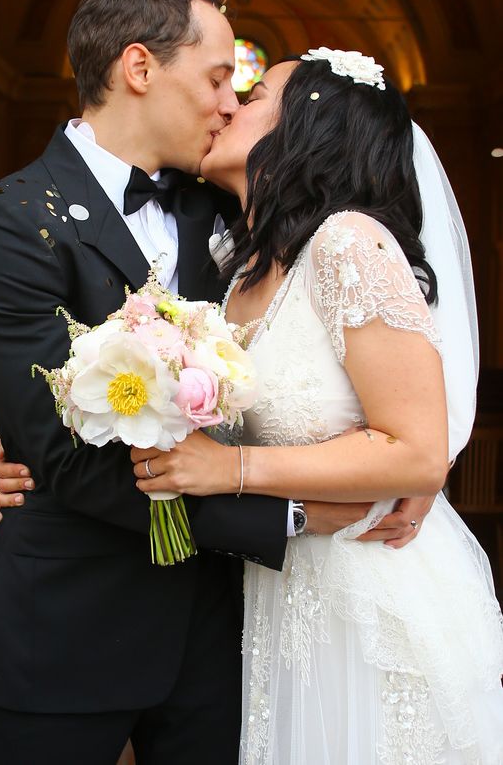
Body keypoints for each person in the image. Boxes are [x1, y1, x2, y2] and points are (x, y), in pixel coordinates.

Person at [0, 0, 432, 763]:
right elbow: (66, 454)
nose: (228, 102)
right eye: (220, 78)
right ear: (139, 68)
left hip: (230, 643)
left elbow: (371, 351)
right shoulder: (1, 222)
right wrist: (294, 519)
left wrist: (419, 461)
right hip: (69, 633)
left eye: (243, 91)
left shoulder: (239, 215)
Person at [128, 54, 503, 763]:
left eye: (255, 91)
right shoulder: (238, 268)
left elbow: (418, 451)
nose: (231, 103)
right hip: (282, 592)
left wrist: (229, 467)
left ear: (310, 123)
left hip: (372, 595)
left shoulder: (350, 244)